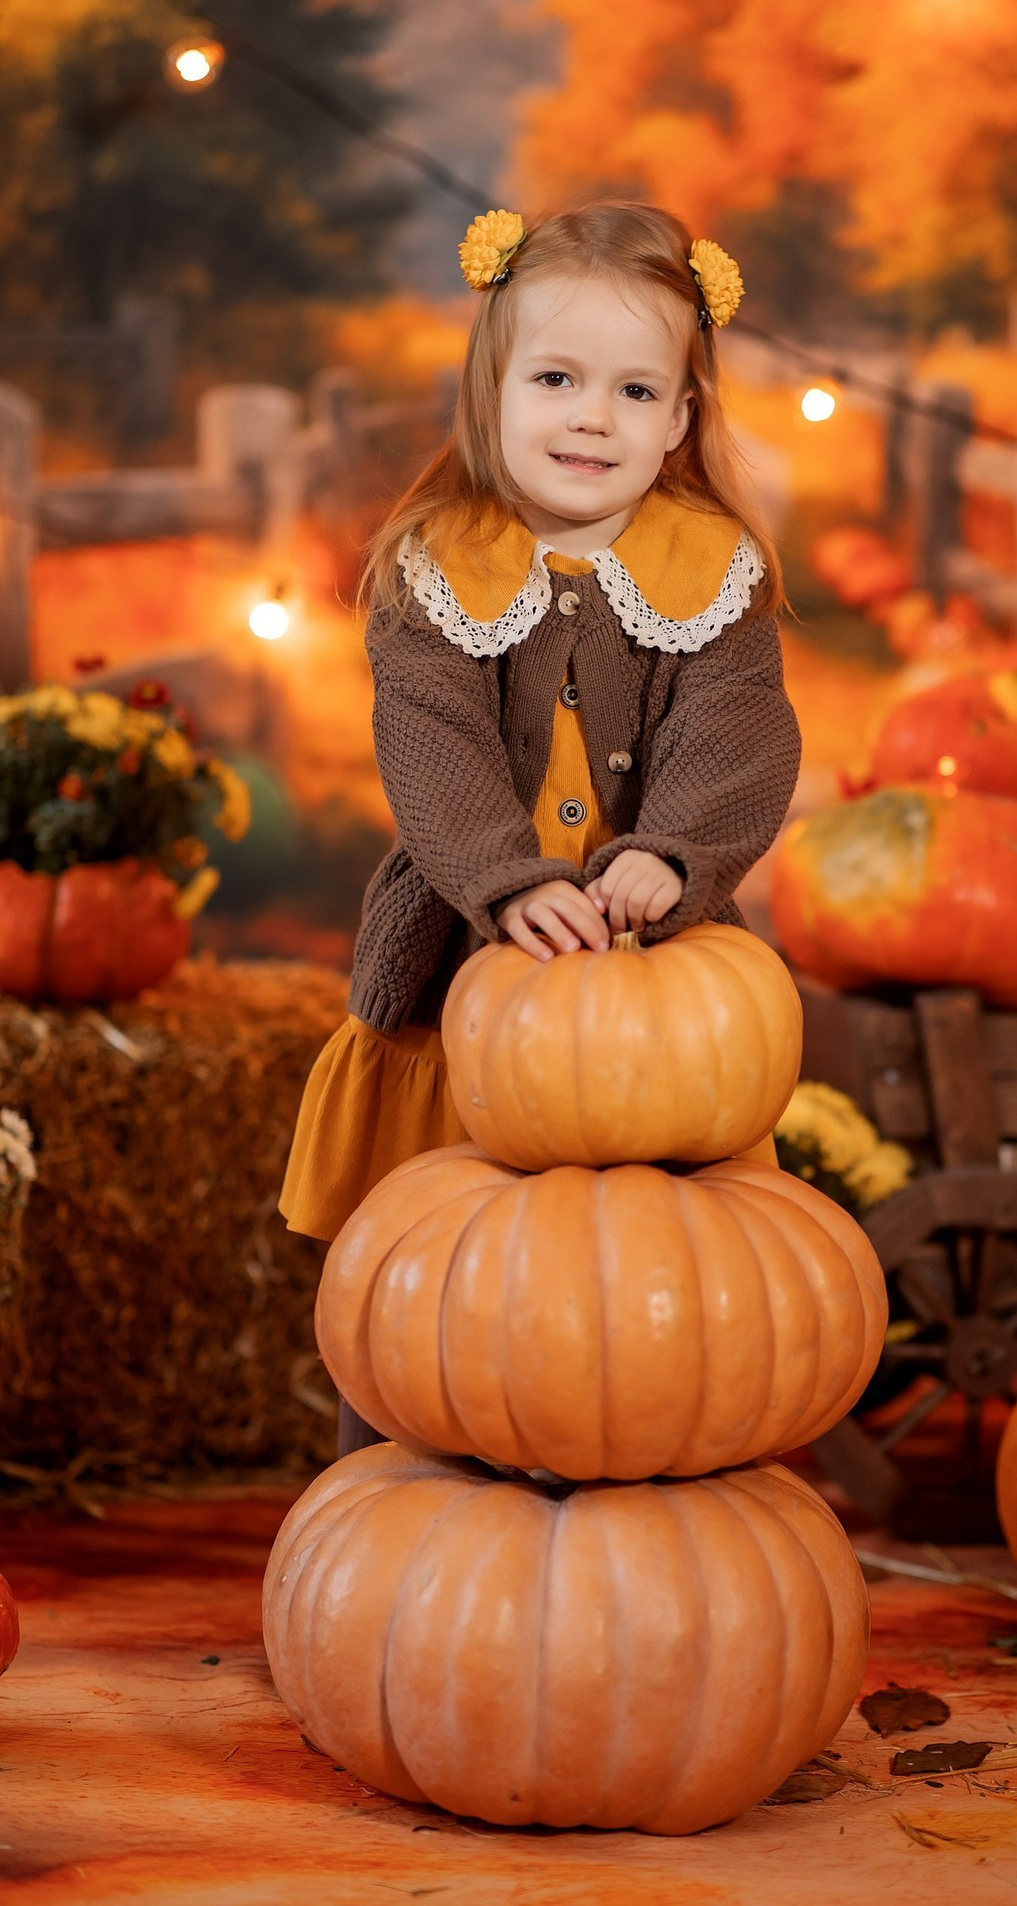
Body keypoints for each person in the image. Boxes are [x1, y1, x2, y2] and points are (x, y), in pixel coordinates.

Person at [280, 199, 802, 1349]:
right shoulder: (437, 570)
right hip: (469, 974)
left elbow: (738, 726)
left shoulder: (710, 574)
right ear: (495, 392)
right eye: (555, 380)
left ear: (678, 417)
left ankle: (642, 1457)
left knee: (650, 1310)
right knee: (430, 1300)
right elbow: (433, 744)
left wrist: (674, 855)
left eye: (630, 391)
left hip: (652, 986)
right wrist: (505, 881)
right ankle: (413, 1482)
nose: (589, 418)